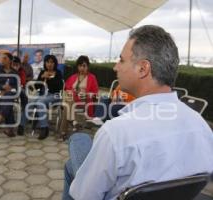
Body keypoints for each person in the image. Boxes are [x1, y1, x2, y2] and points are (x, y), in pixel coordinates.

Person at [63, 25, 213, 200]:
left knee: (78, 142)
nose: (115, 67)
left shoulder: (115, 133)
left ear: (143, 69)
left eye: (121, 60)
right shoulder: (201, 127)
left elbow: (84, 196)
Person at [18, 55, 63, 139]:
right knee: (30, 103)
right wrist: (42, 78)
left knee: (39, 102)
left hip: (54, 96)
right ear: (45, 63)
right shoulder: (42, 72)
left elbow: (58, 87)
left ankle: (44, 128)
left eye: (52, 62)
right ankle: (21, 125)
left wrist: (49, 78)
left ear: (55, 63)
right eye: (47, 62)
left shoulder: (58, 73)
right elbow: (37, 86)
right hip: (42, 95)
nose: (49, 64)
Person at [59, 55, 98, 140]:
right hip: (72, 99)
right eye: (80, 66)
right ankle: (74, 122)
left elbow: (95, 93)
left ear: (88, 66)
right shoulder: (73, 77)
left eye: (84, 66)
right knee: (68, 100)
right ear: (77, 66)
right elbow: (66, 89)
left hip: (84, 100)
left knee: (66, 105)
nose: (82, 68)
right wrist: (71, 92)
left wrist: (86, 94)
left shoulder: (92, 78)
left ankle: (63, 132)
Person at [0, 53, 18, 137]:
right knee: (8, 100)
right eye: (1, 58)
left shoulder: (14, 72)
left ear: (10, 60)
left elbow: (17, 86)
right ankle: (9, 128)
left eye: (5, 58)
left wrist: (10, 89)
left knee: (8, 96)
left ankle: (1, 115)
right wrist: (2, 87)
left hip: (10, 93)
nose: (2, 60)